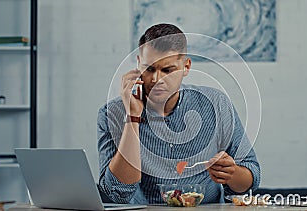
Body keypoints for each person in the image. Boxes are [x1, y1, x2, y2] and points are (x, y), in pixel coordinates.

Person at [97, 23, 260, 204]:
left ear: (186, 67)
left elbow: (250, 181)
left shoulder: (216, 104)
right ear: (138, 64)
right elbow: (118, 193)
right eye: (149, 69)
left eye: (167, 70)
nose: (156, 79)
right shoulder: (112, 113)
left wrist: (231, 173)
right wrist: (132, 117)